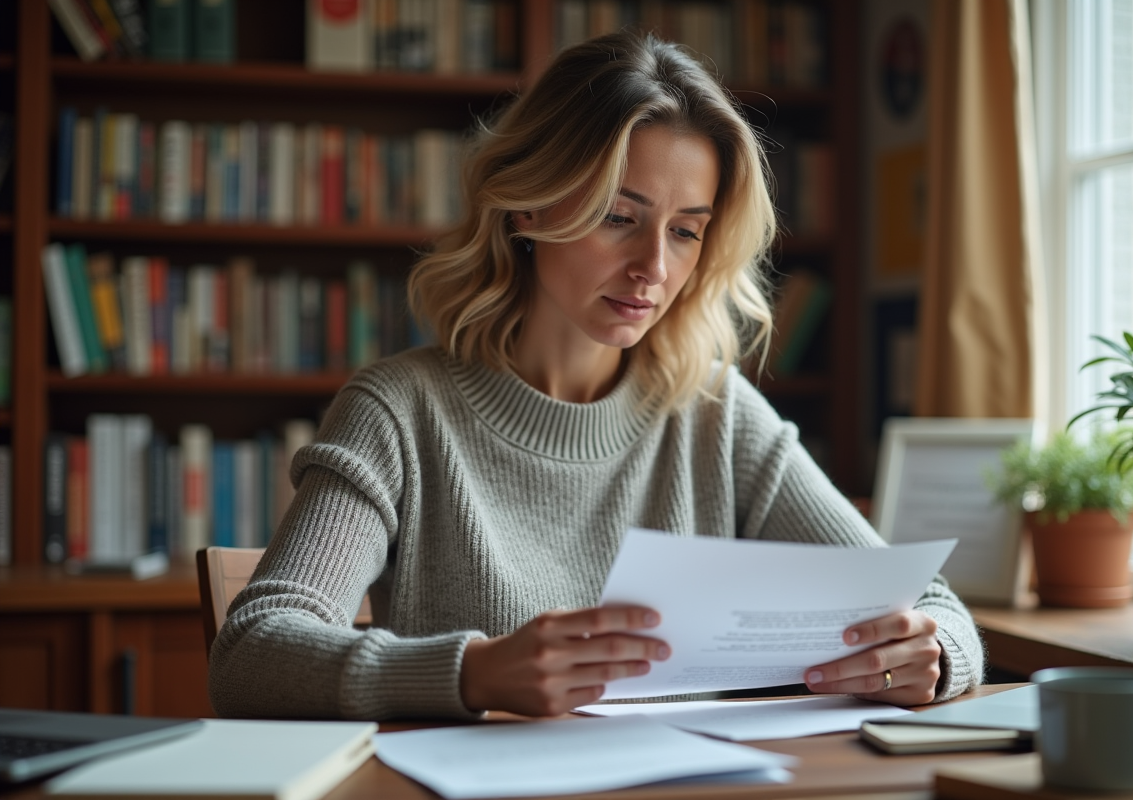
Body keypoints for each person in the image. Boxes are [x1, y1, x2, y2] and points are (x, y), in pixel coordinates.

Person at [208, 29, 983, 721]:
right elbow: (253, 652)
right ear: (526, 209)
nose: (653, 267)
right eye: (620, 216)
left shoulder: (712, 410)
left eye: (686, 232)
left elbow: (934, 608)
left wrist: (935, 653)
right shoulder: (401, 411)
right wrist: (474, 673)